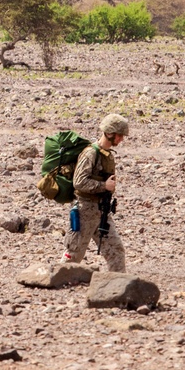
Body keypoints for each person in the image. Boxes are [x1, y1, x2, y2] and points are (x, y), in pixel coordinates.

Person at [60, 114, 128, 271]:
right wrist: (104, 186)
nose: (121, 139)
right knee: (74, 253)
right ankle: (54, 281)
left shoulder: (107, 154)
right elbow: (79, 182)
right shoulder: (90, 154)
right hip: (85, 210)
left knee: (116, 251)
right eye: (119, 135)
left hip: (101, 211)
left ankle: (118, 286)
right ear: (109, 133)